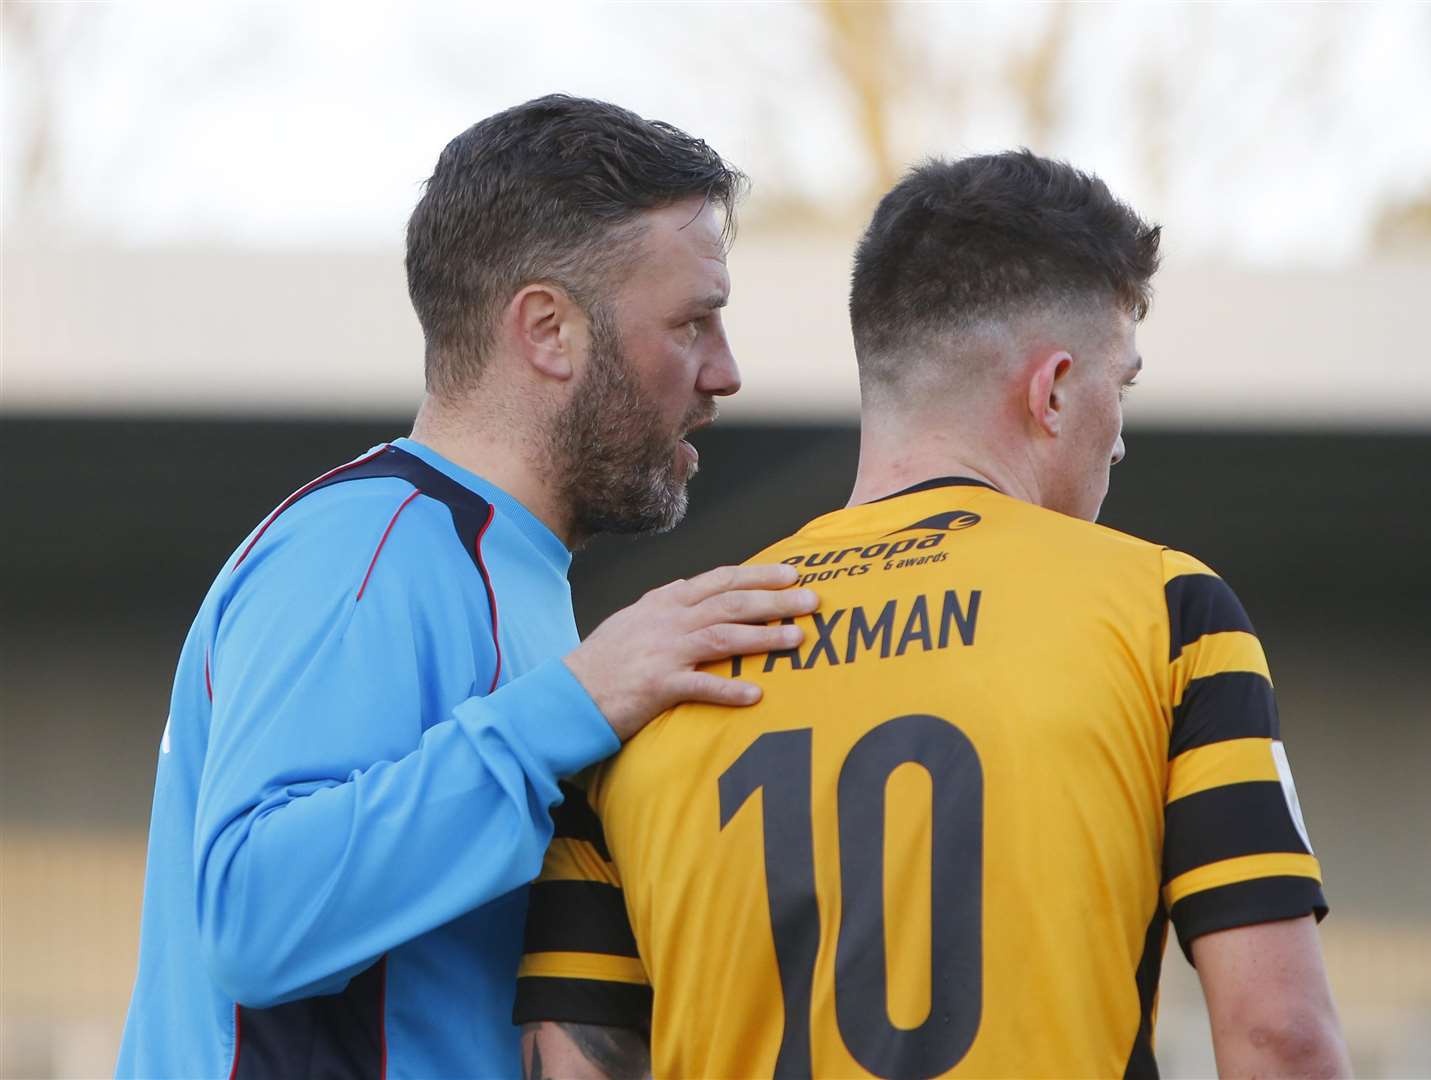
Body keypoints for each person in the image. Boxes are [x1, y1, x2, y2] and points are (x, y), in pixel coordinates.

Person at [513, 151, 1352, 1078]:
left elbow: (569, 1059)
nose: (1121, 435)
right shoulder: (1168, 614)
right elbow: (1280, 1034)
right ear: (1056, 389)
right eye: (1125, 388)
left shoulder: (649, 667)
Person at [115, 95, 818, 1080]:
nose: (725, 372)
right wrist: (571, 704)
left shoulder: (500, 568)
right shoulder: (368, 548)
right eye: (692, 322)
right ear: (547, 331)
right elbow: (251, 918)